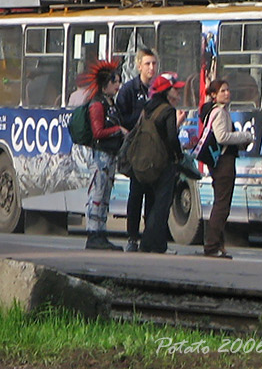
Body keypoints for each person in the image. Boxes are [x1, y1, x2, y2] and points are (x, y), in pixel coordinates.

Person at [200, 78, 253, 259]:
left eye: (228, 90)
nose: (227, 93)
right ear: (213, 95)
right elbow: (222, 137)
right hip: (224, 163)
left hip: (219, 162)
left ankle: (218, 245)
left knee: (221, 203)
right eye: (222, 91)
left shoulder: (212, 111)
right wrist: (244, 135)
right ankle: (212, 246)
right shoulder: (220, 112)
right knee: (222, 206)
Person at [114, 47, 159, 251]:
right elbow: (120, 118)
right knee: (136, 194)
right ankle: (132, 237)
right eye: (147, 64)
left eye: (154, 64)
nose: (151, 68)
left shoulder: (159, 89)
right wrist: (139, 118)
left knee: (153, 195)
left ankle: (149, 237)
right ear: (139, 65)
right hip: (136, 150)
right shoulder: (129, 90)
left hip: (155, 150)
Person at [137, 71, 186, 254]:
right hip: (164, 162)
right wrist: (179, 156)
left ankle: (148, 243)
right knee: (162, 204)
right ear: (166, 91)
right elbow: (172, 138)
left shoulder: (148, 108)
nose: (178, 93)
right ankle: (154, 244)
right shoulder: (168, 110)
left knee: (150, 202)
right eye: (175, 90)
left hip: (147, 162)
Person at [79, 61, 127, 250]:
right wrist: (118, 130)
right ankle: (93, 234)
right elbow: (98, 132)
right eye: (115, 82)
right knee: (97, 194)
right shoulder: (97, 105)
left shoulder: (110, 103)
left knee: (105, 195)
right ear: (105, 84)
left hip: (110, 155)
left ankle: (101, 232)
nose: (117, 86)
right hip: (100, 156)